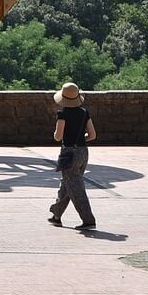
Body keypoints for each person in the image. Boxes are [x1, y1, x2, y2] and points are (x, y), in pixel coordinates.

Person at [48, 82, 97, 230]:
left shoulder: (63, 114)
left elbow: (58, 137)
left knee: (76, 188)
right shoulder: (84, 113)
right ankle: (56, 215)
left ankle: (88, 220)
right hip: (83, 152)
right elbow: (93, 135)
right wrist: (81, 140)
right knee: (68, 183)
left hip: (69, 153)